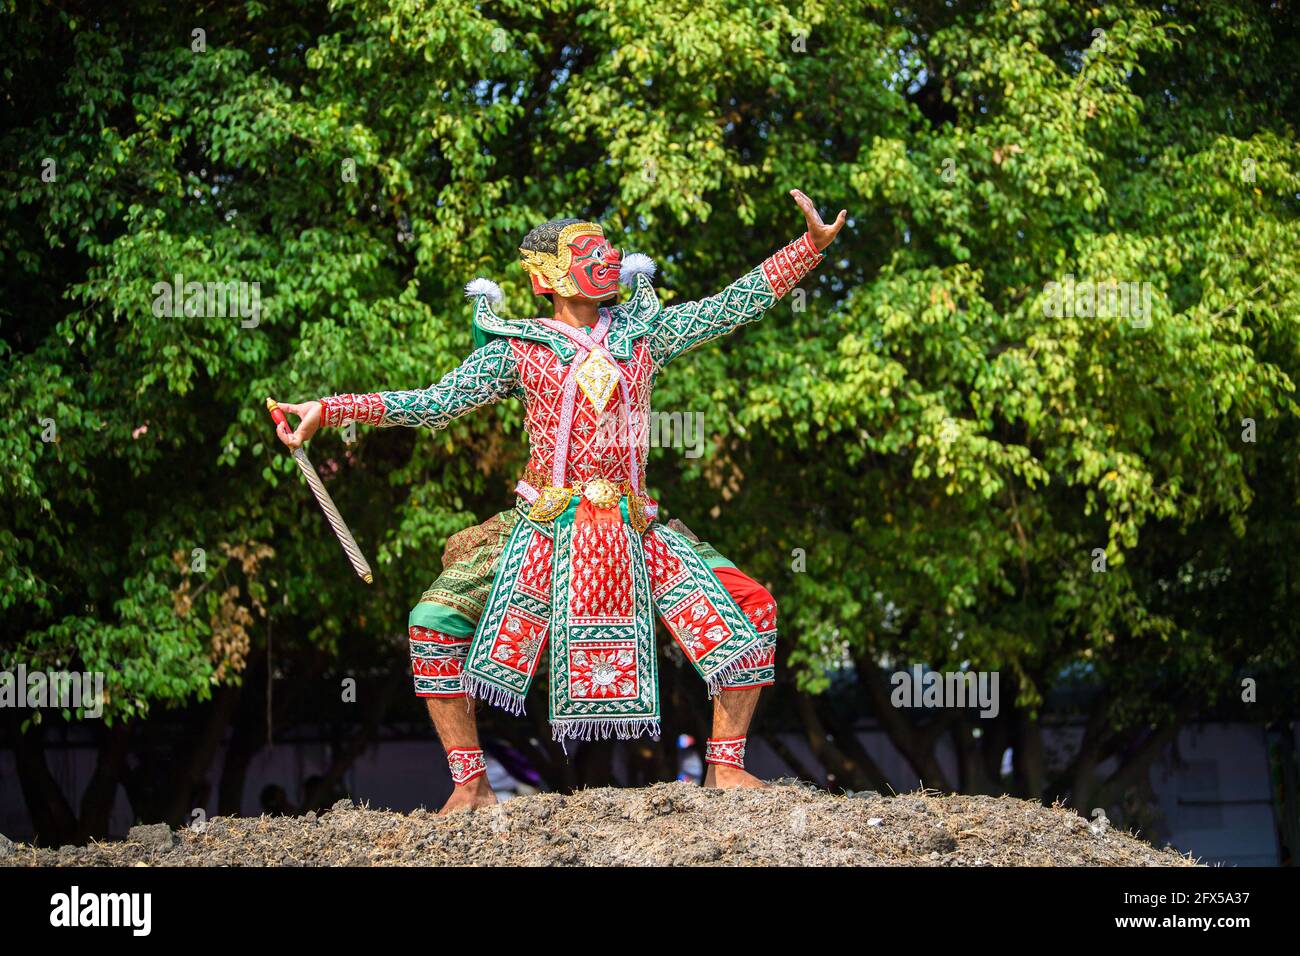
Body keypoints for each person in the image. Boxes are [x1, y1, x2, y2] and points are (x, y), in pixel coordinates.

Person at [273, 190, 845, 813]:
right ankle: (470, 785)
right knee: (432, 624)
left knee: (754, 607)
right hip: (544, 528)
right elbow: (436, 403)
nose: (608, 258)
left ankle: (727, 768)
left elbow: (728, 307)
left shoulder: (643, 333)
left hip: (634, 527)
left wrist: (807, 249)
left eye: (608, 249)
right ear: (548, 275)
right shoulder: (520, 349)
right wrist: (328, 411)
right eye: (590, 252)